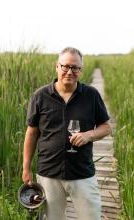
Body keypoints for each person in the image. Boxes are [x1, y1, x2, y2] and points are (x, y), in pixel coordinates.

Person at [22, 47, 111, 220]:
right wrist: (26, 168)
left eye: (75, 68)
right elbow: (31, 133)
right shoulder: (40, 96)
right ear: (57, 67)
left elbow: (106, 127)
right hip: (48, 173)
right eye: (65, 66)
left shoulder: (91, 95)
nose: (69, 71)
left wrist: (88, 135)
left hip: (82, 172)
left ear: (80, 71)